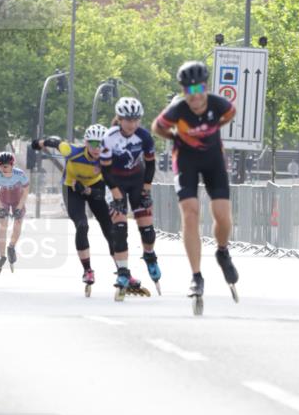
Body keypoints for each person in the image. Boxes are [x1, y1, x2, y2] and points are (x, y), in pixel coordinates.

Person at [152, 61, 239, 300]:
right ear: (183, 92)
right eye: (189, 91)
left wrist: (210, 131)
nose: (195, 96)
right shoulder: (177, 110)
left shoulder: (219, 105)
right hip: (186, 161)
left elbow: (230, 114)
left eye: (199, 89)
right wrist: (174, 137)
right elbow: (157, 126)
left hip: (213, 162)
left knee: (223, 216)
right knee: (190, 213)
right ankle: (196, 275)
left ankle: (222, 252)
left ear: (206, 87)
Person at [31, 124, 117, 290]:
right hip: (71, 189)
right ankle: (87, 270)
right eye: (93, 143)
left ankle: (121, 269)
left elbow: (103, 193)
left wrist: (87, 190)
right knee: (82, 225)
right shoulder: (72, 151)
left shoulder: (108, 159)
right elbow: (55, 142)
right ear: (86, 142)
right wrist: (39, 143)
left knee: (109, 228)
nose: (97, 148)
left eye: (101, 144)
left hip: (94, 187)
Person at [99, 97, 157, 297]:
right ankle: (123, 271)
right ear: (119, 119)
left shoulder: (144, 136)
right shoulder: (109, 137)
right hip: (115, 181)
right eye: (127, 120)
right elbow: (104, 169)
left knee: (147, 230)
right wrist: (114, 191)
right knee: (120, 228)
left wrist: (146, 189)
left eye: (135, 120)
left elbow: (150, 164)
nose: (132, 124)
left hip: (137, 181)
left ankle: (149, 255)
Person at [0, 152, 29, 273]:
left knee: (17, 223)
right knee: (3, 226)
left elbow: (26, 192)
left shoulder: (20, 174)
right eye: (0, 166)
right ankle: (2, 256)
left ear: (12, 165)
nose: (3, 169)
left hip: (18, 198)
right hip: (3, 198)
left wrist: (19, 207)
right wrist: (0, 207)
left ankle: (11, 246)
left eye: (6, 166)